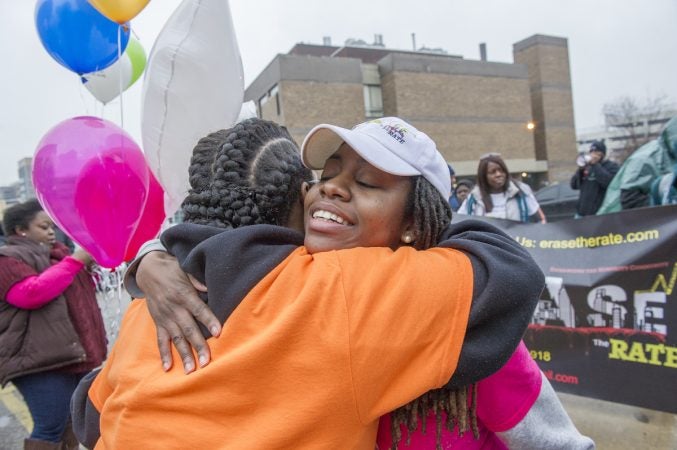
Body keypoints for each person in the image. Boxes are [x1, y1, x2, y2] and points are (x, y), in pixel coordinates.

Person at [73, 117, 546, 449]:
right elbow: (509, 269)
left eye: (369, 182)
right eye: (327, 174)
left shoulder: (155, 300)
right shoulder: (341, 293)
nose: (331, 187)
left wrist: (153, 253)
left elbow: (89, 415)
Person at [0, 199, 107, 450]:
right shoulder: (7, 259)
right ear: (20, 231)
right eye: (43, 226)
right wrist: (75, 262)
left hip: (72, 357)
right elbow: (30, 294)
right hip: (39, 362)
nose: (51, 232)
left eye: (52, 227)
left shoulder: (59, 256)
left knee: (72, 424)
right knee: (49, 427)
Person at [597, 117, 677, 213]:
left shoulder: (670, 158)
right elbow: (629, 200)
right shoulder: (645, 159)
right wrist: (664, 207)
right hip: (623, 222)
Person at [459, 153, 547, 223]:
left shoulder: (521, 192)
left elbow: (540, 220)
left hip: (515, 244)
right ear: (484, 176)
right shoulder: (473, 199)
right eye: (492, 172)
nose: (498, 174)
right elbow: (459, 221)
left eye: (501, 170)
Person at [570, 140, 619, 217]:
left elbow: (609, 183)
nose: (593, 155)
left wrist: (596, 165)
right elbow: (574, 185)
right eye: (591, 152)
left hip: (600, 214)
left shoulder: (611, 167)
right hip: (581, 214)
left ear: (602, 155)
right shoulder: (587, 167)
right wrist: (580, 170)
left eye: (596, 153)